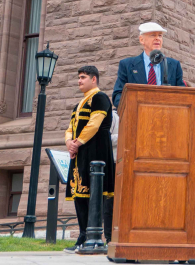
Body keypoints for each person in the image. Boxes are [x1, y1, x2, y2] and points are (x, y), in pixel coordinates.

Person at [65, 65, 115, 254]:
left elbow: (94, 124)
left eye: (83, 77)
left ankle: (94, 238)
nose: (79, 81)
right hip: (80, 154)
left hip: (96, 152)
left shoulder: (100, 97)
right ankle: (82, 236)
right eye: (79, 77)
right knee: (80, 195)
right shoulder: (78, 104)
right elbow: (70, 127)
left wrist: (77, 143)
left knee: (95, 195)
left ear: (94, 79)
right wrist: (69, 142)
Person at [112, 22, 185, 108]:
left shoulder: (173, 65)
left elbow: (183, 95)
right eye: (153, 35)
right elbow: (117, 96)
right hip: (138, 116)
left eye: (160, 35)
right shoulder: (127, 65)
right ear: (141, 40)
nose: (157, 38)